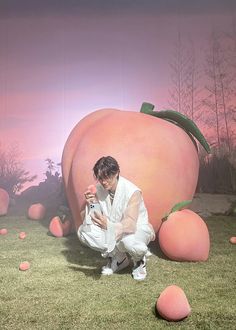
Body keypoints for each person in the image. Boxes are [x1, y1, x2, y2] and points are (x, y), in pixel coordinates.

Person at [78, 156, 155, 280]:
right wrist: (93, 203)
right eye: (100, 178)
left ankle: (139, 261)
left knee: (129, 243)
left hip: (135, 229)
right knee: (84, 232)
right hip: (111, 228)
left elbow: (130, 224)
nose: (104, 182)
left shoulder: (132, 191)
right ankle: (120, 259)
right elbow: (93, 217)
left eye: (107, 177)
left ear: (117, 173)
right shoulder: (98, 189)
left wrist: (109, 226)